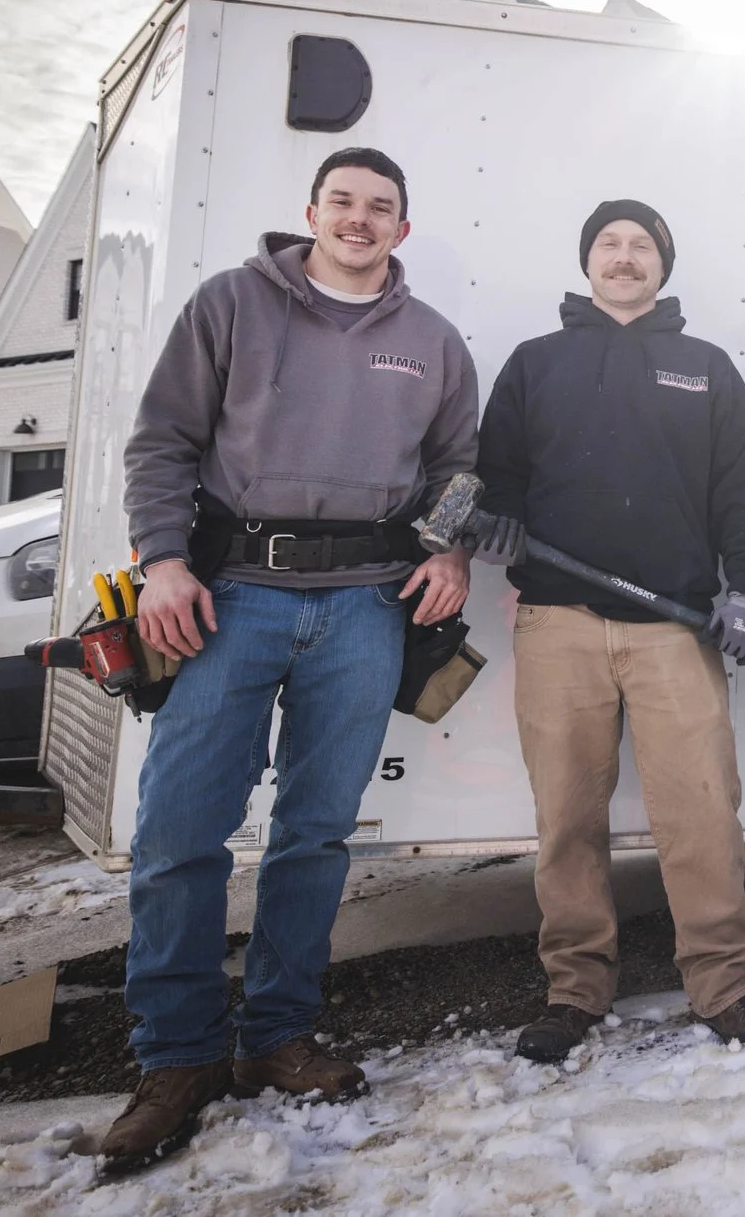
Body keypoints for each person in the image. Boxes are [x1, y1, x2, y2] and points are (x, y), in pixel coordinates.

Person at [108, 147, 478, 1176]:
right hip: (233, 598)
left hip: (365, 606)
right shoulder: (232, 305)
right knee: (181, 830)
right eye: (345, 203)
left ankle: (277, 1036)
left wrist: (448, 545)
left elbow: (458, 467)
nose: (360, 220)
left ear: (403, 229)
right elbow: (163, 444)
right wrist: (163, 564)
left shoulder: (433, 342)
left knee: (316, 835)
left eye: (382, 209)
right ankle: (175, 1060)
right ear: (311, 212)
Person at [475, 200, 745, 1061]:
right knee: (567, 816)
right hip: (557, 623)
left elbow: (742, 494)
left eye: (640, 245)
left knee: (702, 816)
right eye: (609, 244)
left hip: (675, 628)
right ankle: (575, 990)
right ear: (587, 262)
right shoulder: (536, 364)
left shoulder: (705, 367)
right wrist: (495, 521)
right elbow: (495, 471)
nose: (624, 257)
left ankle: (722, 986)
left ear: (663, 264)